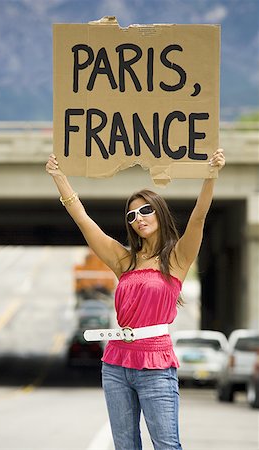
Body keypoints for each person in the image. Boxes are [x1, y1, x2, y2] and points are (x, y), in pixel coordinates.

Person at [46, 149, 225, 450]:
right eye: (132, 215)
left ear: (159, 212)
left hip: (156, 363)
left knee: (167, 445)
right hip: (116, 362)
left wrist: (211, 175)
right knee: (125, 446)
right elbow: (82, 219)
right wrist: (58, 176)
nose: (138, 218)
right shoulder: (123, 261)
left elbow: (198, 217)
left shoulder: (177, 259)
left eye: (145, 211)